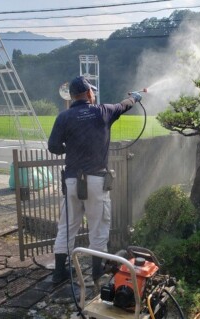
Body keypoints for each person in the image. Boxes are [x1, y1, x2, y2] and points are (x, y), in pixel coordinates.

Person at [48, 76, 142, 284]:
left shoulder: (63, 117)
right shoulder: (102, 111)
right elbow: (123, 105)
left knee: (67, 225)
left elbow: (53, 146)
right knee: (98, 225)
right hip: (96, 181)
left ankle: (59, 273)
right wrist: (135, 98)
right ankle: (97, 272)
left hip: (71, 181)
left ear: (72, 96)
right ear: (90, 93)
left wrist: (68, 149)